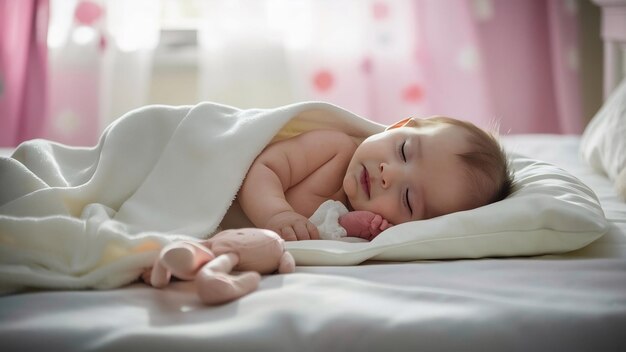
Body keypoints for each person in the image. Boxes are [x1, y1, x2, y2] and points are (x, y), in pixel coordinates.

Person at [233, 115, 513, 241]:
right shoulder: (334, 148)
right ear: (399, 126)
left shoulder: (363, 225)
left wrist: (349, 226)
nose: (388, 174)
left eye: (407, 198)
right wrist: (277, 215)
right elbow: (264, 168)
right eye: (403, 151)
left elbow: (317, 227)